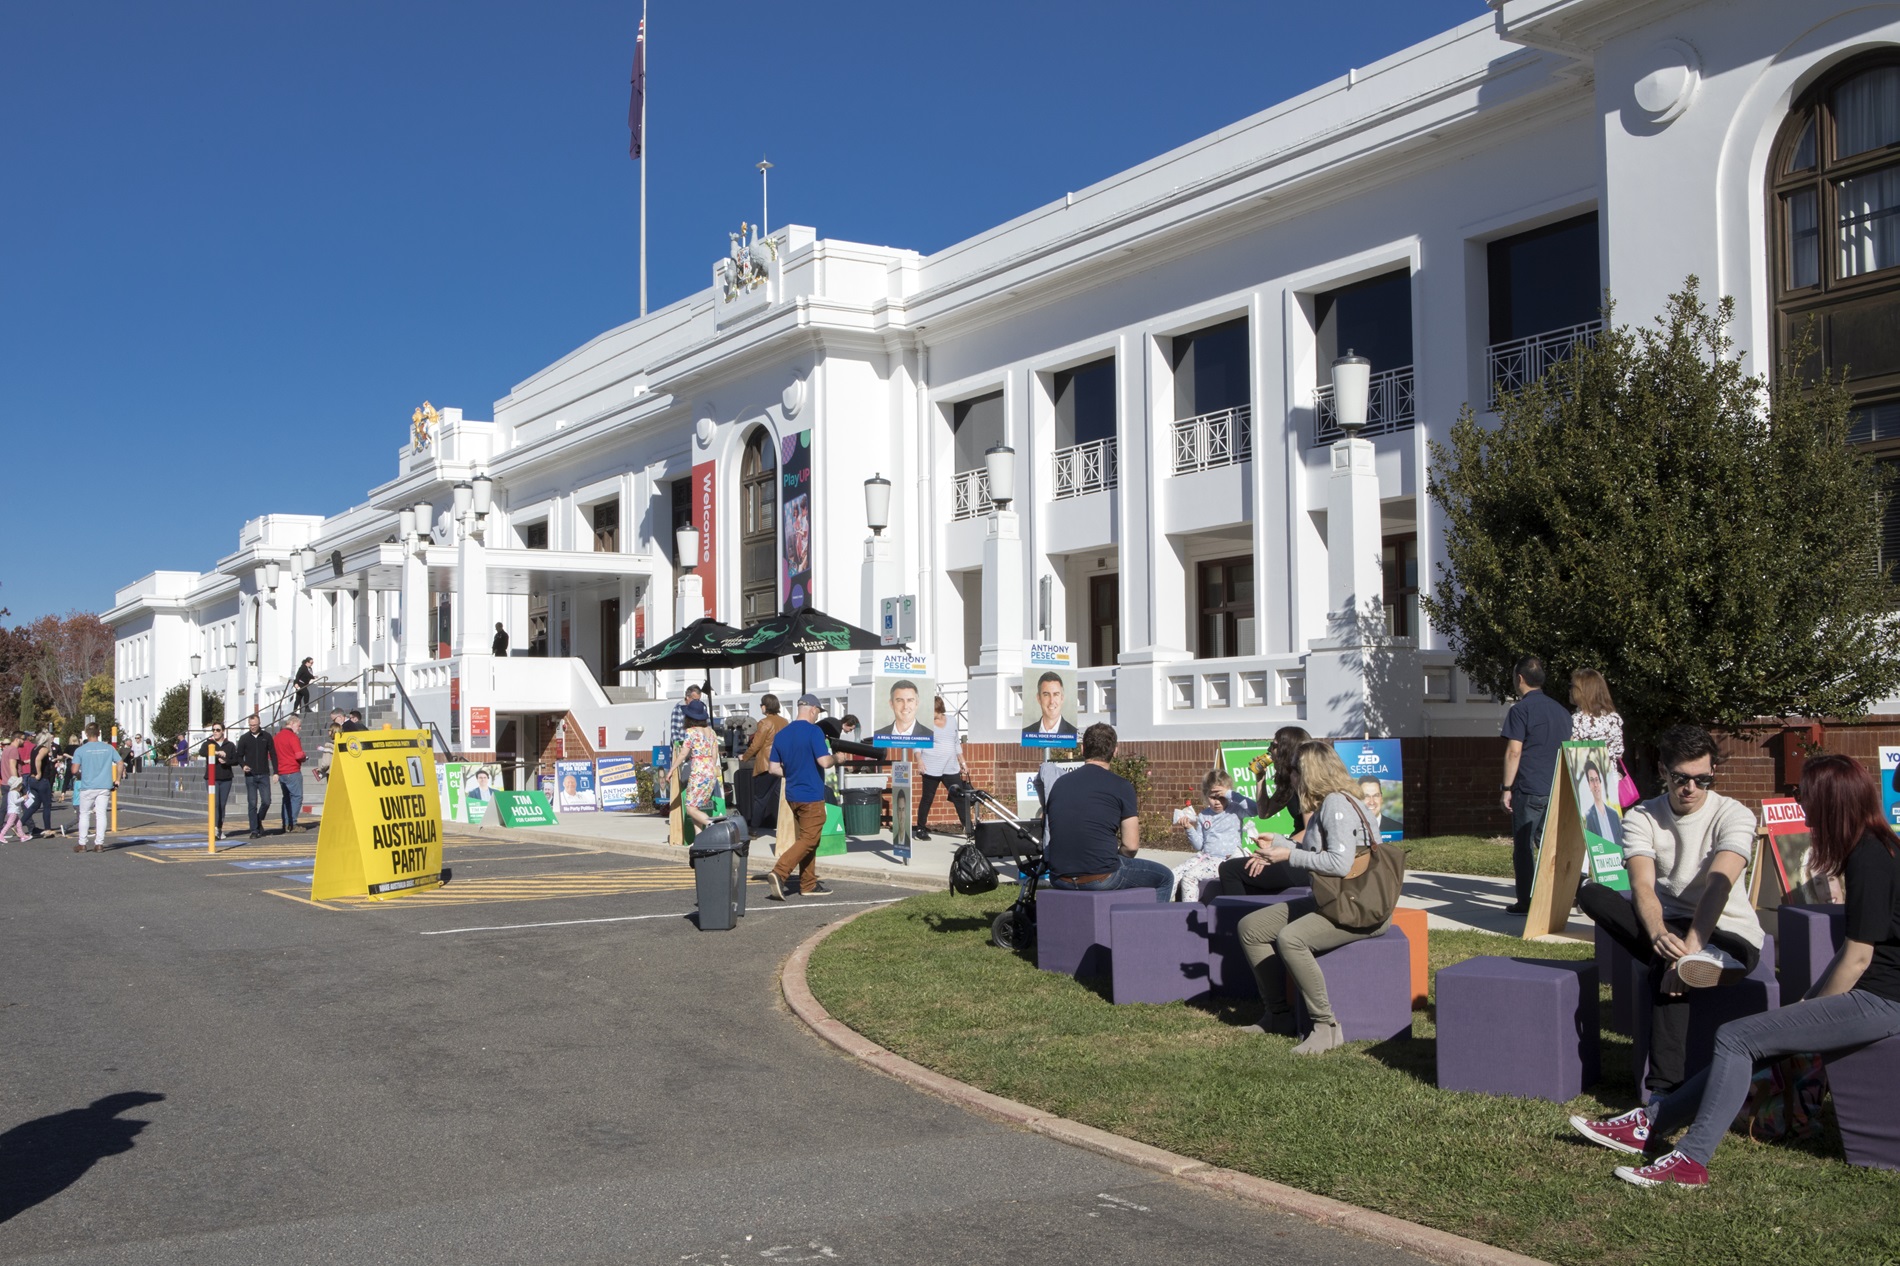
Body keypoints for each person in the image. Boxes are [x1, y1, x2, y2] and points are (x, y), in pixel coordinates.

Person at [1571, 753, 1900, 1189]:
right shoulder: (1876, 847)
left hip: (1882, 1001)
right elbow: (1853, 952)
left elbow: (1858, 958)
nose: (1803, 807)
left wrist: (1812, 1012)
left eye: (1807, 796)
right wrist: (1804, 1008)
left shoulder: (1870, 858)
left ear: (1832, 802)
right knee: (1755, 1042)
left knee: (1736, 1036)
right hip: (1878, 995)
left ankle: (1690, 1159)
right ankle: (1650, 1125)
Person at [1576, 724, 1762, 1108]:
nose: (1691, 788)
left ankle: (1663, 1095)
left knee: (1668, 970)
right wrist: (1660, 932)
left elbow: (1719, 884)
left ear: (1712, 774)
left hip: (1730, 932)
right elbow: (1642, 886)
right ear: (1663, 771)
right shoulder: (1641, 817)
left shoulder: (1734, 814)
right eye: (1681, 778)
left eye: (1702, 779)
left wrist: (1688, 953)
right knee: (1591, 892)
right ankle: (1695, 962)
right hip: (1671, 924)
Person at [1238, 741, 1397, 1054]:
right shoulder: (1331, 802)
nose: (1290, 777)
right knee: (1251, 928)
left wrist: (1287, 856)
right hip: (1337, 900)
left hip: (1359, 908)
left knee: (1291, 939)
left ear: (1308, 773)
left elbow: (1339, 865)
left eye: (1294, 770)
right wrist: (1281, 841)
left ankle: (1326, 1027)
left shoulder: (1337, 805)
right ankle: (1278, 1015)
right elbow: (1320, 852)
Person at [1043, 722, 1173, 896]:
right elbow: (1131, 845)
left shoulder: (1059, 784)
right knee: (1165, 877)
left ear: (1082, 750)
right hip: (1101, 876)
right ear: (1115, 752)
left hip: (1059, 877)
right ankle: (1147, 923)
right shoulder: (1121, 786)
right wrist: (1115, 859)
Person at [1502, 655, 1573, 914]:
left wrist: (1506, 788)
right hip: (1557, 786)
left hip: (1529, 786)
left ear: (1519, 679)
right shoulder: (1563, 711)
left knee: (1523, 845)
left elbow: (1514, 752)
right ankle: (1561, 894)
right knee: (1549, 843)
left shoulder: (1520, 710)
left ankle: (1526, 901)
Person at [1219, 726, 1310, 896]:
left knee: (1229, 870)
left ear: (1286, 749)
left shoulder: (1306, 781)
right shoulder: (1290, 781)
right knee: (1249, 870)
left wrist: (1275, 849)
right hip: (1293, 851)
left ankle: (1235, 921)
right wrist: (1260, 779)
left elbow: (1310, 830)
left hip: (1305, 858)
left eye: (1273, 745)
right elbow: (1264, 812)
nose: (1269, 750)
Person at [766, 694, 836, 900]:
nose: (817, 716)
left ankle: (808, 884)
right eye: (817, 713)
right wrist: (837, 758)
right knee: (809, 838)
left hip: (792, 795)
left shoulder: (782, 734)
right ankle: (780, 872)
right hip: (811, 795)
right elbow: (824, 762)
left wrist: (792, 771)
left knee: (808, 839)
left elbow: (773, 769)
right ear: (813, 709)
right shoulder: (815, 731)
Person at [1171, 770, 1251, 901]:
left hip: (1225, 860)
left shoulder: (1235, 810)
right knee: (1173, 874)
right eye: (1213, 797)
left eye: (1221, 797)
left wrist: (1232, 795)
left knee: (1189, 877)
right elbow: (1199, 845)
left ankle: (1188, 914)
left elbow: (1255, 810)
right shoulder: (1204, 815)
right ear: (1205, 795)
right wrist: (1189, 828)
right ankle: (1161, 909)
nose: (1217, 802)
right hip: (1205, 857)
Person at [914, 696, 971, 840]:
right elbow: (918, 744)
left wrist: (963, 763)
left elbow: (956, 742)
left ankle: (970, 829)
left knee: (959, 797)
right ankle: (920, 828)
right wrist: (919, 761)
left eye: (931, 710)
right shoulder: (925, 723)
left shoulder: (951, 720)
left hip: (950, 767)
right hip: (931, 766)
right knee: (927, 798)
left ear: (938, 709)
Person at [69, 723, 122, 853]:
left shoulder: (80, 750)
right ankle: (99, 843)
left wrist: (81, 774)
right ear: (99, 733)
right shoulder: (108, 748)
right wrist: (118, 779)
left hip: (87, 786)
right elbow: (120, 762)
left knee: (84, 815)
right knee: (101, 814)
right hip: (104, 785)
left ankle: (82, 843)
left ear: (86, 734)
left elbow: (74, 769)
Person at [672, 699, 723, 830]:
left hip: (698, 772)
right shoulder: (711, 732)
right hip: (710, 771)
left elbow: (683, 754)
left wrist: (672, 768)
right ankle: (698, 840)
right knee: (696, 807)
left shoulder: (691, 732)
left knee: (690, 808)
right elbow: (715, 754)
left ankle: (714, 825)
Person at [741, 694, 788, 832]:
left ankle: (753, 829)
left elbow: (756, 745)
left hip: (766, 764)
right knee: (781, 797)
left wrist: (744, 757)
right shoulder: (784, 722)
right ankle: (786, 826)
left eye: (761, 704)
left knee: (760, 798)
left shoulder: (764, 722)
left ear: (765, 706)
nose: (761, 707)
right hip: (781, 764)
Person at [1568, 667, 1625, 764]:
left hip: (1585, 776)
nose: (1570, 690)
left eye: (1572, 686)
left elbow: (1572, 754)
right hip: (1610, 776)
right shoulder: (1614, 718)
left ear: (1582, 691)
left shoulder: (1577, 720)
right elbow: (1619, 753)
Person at [234, 713, 277, 840]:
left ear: (259, 724)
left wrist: (276, 772)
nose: (252, 727)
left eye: (255, 725)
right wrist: (243, 765)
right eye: (250, 725)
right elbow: (239, 755)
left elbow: (273, 754)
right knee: (252, 803)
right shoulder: (244, 738)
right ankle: (254, 830)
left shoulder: (266, 736)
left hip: (263, 774)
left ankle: (258, 820)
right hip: (250, 775)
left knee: (267, 801)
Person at [202, 723, 238, 839]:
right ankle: (214, 828)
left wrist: (226, 761)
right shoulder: (208, 743)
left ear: (223, 731)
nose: (215, 732)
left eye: (218, 730)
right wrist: (216, 752)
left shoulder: (230, 745)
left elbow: (235, 760)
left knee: (222, 805)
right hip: (212, 779)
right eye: (213, 730)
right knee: (215, 804)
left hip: (226, 778)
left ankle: (220, 828)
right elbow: (202, 752)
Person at [1021, 671, 1079, 742]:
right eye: (1046, 695)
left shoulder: (1074, 734)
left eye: (1056, 694)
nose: (1051, 701)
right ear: (1039, 698)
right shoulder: (1026, 733)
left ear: (1062, 698)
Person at [273, 719, 307, 833]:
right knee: (297, 797)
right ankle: (292, 823)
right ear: (291, 723)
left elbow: (271, 755)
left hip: (281, 771)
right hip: (292, 770)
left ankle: (286, 823)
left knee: (286, 798)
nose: (300, 728)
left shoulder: (277, 737)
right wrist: (304, 756)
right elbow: (298, 754)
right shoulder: (292, 737)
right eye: (299, 725)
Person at [1581, 760, 1622, 844]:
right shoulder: (1589, 817)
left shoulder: (1614, 814)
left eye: (1596, 779)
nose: (1595, 784)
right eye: (1592, 780)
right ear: (1589, 785)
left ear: (1600, 782)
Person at [668, 684, 704, 751]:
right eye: (695, 700)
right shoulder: (678, 709)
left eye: (699, 700)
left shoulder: (702, 707)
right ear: (687, 697)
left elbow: (707, 727)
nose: (697, 702)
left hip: (699, 750)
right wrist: (681, 750)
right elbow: (675, 733)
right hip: (682, 749)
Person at [1, 776, 31, 843]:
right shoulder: (15, 793)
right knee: (9, 823)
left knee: (19, 824)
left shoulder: (10, 792)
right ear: (16, 786)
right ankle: (1, 835)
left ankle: (22, 835)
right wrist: (23, 798)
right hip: (13, 811)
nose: (21, 787)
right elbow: (15, 801)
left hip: (12, 811)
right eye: (19, 786)